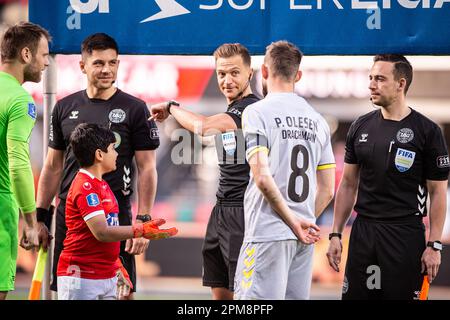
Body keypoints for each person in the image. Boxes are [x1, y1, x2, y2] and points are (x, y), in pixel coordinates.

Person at [35, 33, 160, 298]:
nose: (107, 70)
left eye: (112, 63)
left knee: (123, 293)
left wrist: (143, 220)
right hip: (72, 218)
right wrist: (40, 218)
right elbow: (53, 165)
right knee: (68, 292)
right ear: (82, 66)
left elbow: (147, 168)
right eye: (99, 63)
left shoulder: (135, 108)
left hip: (117, 218)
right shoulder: (64, 107)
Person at [326, 54, 449, 300]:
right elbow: (349, 184)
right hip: (364, 232)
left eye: (380, 79)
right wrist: (336, 234)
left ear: (401, 84)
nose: (371, 84)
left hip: (404, 234)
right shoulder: (360, 126)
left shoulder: (428, 131)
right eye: (371, 78)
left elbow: (437, 192)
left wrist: (434, 245)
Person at [150, 43, 259, 300]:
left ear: (250, 74)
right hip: (221, 210)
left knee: (244, 297)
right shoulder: (231, 112)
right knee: (220, 292)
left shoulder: (251, 109)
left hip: (243, 213)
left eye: (234, 73)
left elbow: (202, 126)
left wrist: (172, 107)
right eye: (221, 74)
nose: (227, 80)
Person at [234, 41, 336, 300]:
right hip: (304, 236)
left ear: (263, 72)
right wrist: (303, 222)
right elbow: (327, 189)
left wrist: (290, 222)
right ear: (298, 75)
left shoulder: (256, 112)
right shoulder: (318, 120)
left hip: (268, 232)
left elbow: (262, 178)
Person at [57, 123, 177, 300]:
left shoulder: (103, 185)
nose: (117, 154)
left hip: (106, 275)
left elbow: (107, 236)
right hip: (82, 276)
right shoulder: (85, 186)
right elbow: (102, 233)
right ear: (99, 155)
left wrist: (117, 267)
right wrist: (141, 230)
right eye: (113, 148)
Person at [0, 22, 51, 300]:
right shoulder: (20, 100)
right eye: (44, 56)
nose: (46, 63)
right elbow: (18, 164)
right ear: (27, 54)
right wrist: (30, 223)